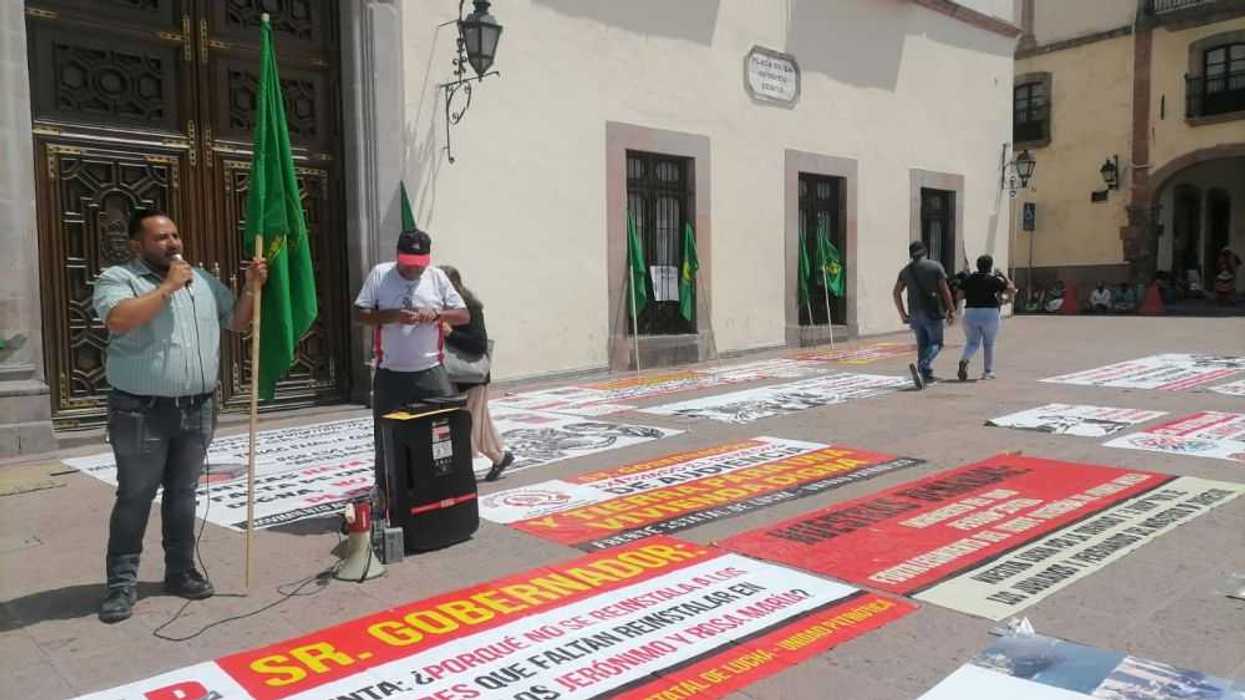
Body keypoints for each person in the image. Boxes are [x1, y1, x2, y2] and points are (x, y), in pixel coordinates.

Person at [91, 209, 267, 623]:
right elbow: (117, 320)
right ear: (138, 245)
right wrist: (168, 288)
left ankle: (180, 570)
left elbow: (237, 322)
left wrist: (249, 288)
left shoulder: (201, 280)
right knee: (135, 496)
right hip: (140, 411)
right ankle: (121, 584)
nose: (173, 243)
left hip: (196, 407)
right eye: (160, 238)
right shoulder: (118, 279)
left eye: (175, 235)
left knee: (183, 493)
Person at [355, 228, 470, 498]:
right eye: (408, 265)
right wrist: (393, 316)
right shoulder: (380, 275)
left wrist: (437, 314)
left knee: (441, 434)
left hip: (431, 372)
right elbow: (360, 314)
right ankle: (386, 492)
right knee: (386, 437)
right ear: (397, 256)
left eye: (419, 266)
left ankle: (441, 490)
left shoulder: (437, 277)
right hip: (391, 374)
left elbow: (463, 315)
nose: (413, 271)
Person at [439, 264, 514, 481]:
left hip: (470, 379)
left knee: (466, 427)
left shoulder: (470, 309)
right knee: (479, 426)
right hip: (451, 379)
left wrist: (451, 333)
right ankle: (500, 458)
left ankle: (461, 474)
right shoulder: (440, 308)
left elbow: (479, 345)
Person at [893, 240, 956, 389]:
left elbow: (896, 292)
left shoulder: (905, 271)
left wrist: (902, 314)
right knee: (936, 343)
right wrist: (951, 309)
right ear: (925, 252)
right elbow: (945, 290)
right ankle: (922, 365)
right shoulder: (935, 267)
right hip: (932, 311)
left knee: (922, 344)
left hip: (914, 312)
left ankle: (924, 375)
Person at [956, 255, 1015, 381]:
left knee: (972, 342)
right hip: (990, 313)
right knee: (989, 344)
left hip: (970, 313)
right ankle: (987, 372)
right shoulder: (994, 279)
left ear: (977, 265)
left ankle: (964, 359)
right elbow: (1011, 289)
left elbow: (959, 296)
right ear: (990, 266)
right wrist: (1003, 275)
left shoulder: (969, 279)